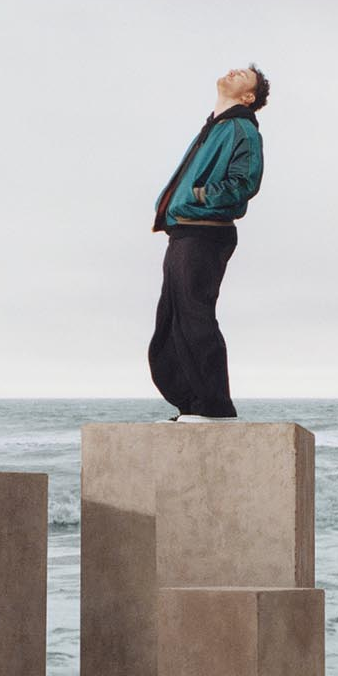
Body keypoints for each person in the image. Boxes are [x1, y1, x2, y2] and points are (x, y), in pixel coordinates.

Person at [148, 63, 269, 420]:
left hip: (206, 230)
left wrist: (198, 197)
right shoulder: (214, 127)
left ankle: (214, 408)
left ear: (248, 97)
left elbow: (245, 182)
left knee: (195, 317)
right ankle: (193, 406)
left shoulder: (241, 127)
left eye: (244, 76)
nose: (234, 71)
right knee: (171, 326)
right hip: (183, 231)